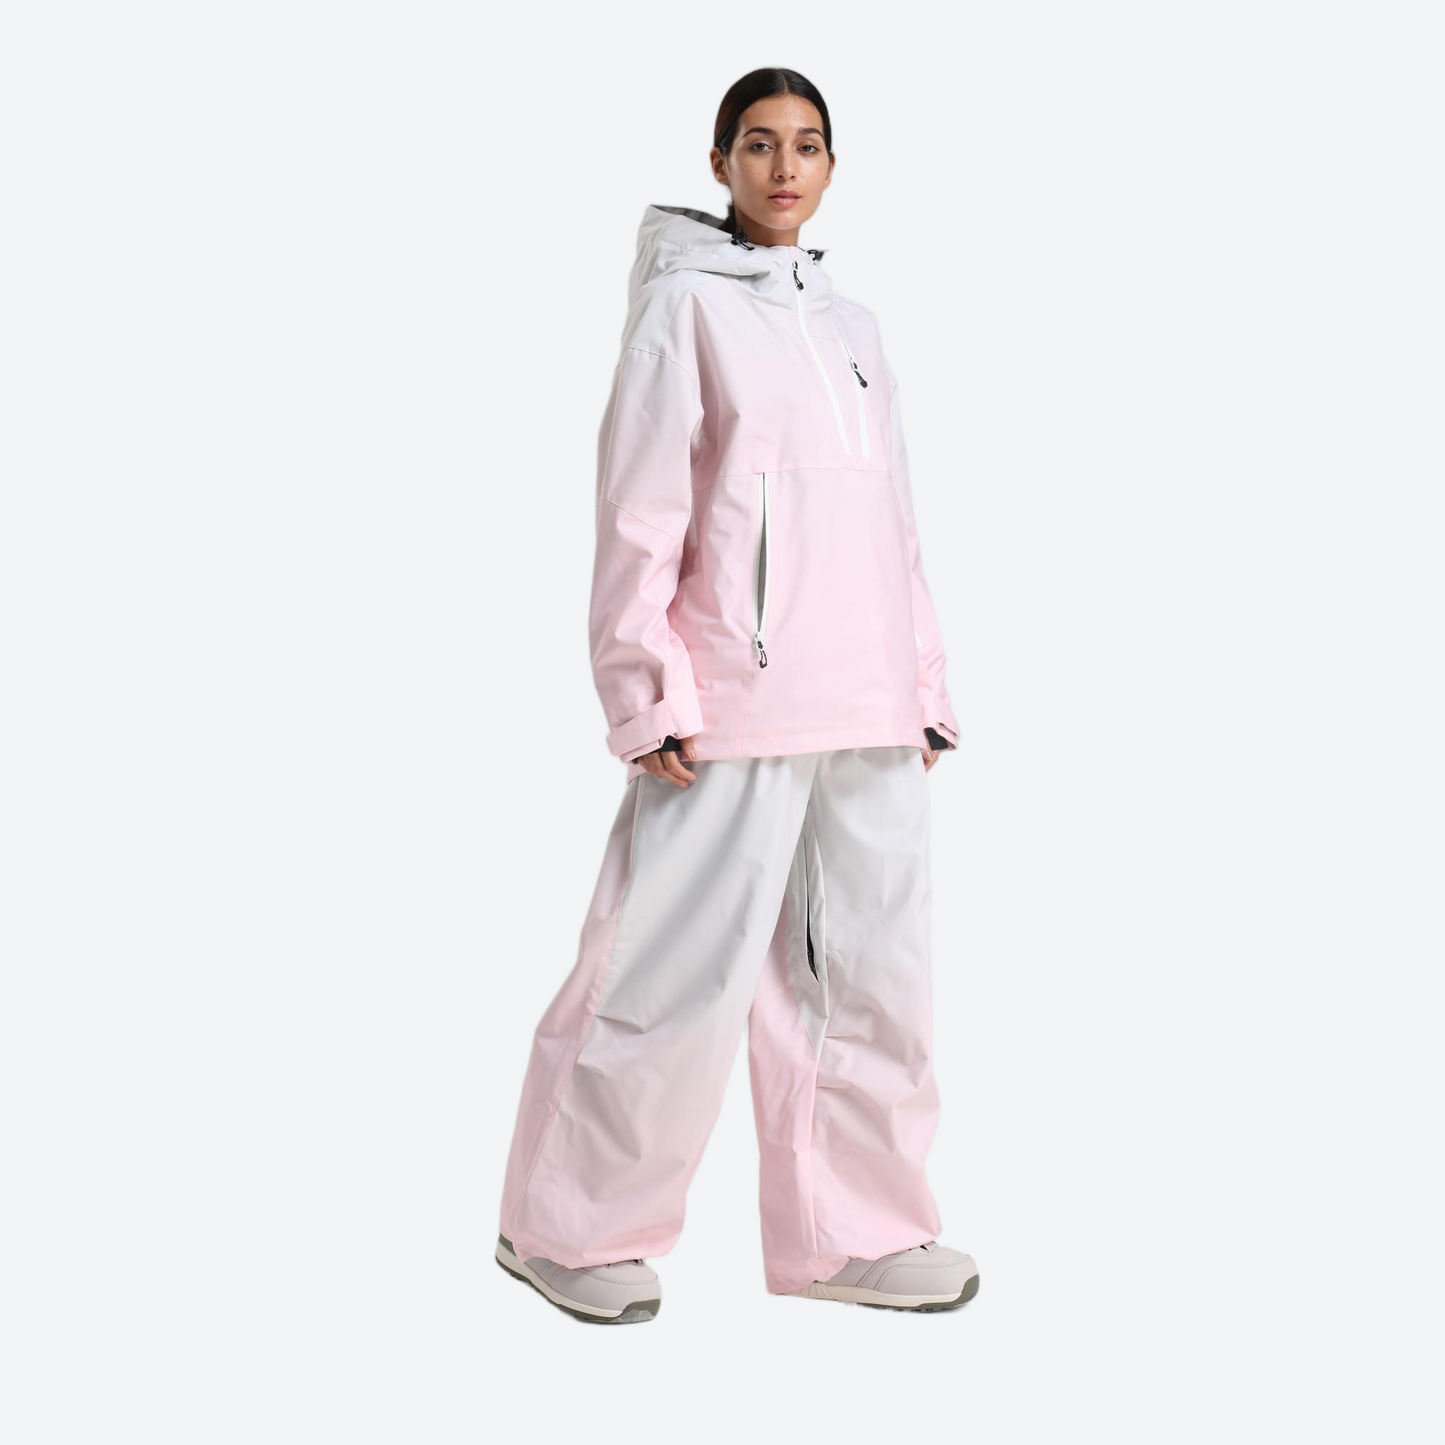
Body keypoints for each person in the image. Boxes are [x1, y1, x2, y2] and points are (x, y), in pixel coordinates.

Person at [495, 68, 978, 1323]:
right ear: (718, 163)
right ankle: (565, 1228)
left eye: (806, 145)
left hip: (868, 701)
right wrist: (643, 687)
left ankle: (849, 1233)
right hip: (731, 698)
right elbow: (638, 504)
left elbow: (892, 518)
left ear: (831, 167)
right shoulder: (686, 309)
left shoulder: (856, 326)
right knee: (666, 977)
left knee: (870, 979)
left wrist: (922, 680)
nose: (782, 167)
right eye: (757, 144)